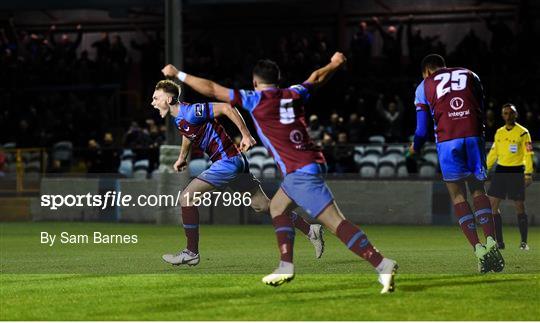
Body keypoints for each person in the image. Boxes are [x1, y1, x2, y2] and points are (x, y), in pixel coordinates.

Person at [162, 52, 398, 294]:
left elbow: (213, 89)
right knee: (274, 207)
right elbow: (316, 78)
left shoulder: (254, 99)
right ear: (278, 80)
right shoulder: (293, 93)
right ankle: (294, 254)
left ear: (255, 82)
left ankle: (381, 264)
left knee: (336, 223)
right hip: (310, 163)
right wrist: (335, 64)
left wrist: (177, 73)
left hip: (300, 170)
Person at [151, 80, 324, 266]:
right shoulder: (180, 118)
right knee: (264, 206)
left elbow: (226, 107)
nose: (152, 102)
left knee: (187, 197)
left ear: (168, 99)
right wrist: (182, 157)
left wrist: (246, 134)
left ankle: (191, 252)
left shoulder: (192, 111)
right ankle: (310, 229)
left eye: (155, 98)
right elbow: (188, 134)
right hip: (235, 161)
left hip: (227, 162)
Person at [410, 54, 504, 273]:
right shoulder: (470, 74)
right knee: (478, 189)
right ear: (443, 66)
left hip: (447, 139)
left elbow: (422, 130)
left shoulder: (424, 85)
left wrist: (415, 147)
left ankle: (479, 250)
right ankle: (491, 241)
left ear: (426, 71)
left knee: (457, 195)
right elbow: (480, 105)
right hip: (473, 135)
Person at [486, 103, 534, 250]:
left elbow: (528, 153)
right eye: (505, 113)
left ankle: (524, 242)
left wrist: (528, 173)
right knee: (493, 206)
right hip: (501, 170)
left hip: (516, 171)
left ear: (516, 115)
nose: (508, 116)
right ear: (502, 116)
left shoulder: (523, 132)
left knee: (519, 206)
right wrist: (484, 169)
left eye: (511, 113)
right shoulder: (499, 132)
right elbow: (494, 153)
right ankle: (499, 242)